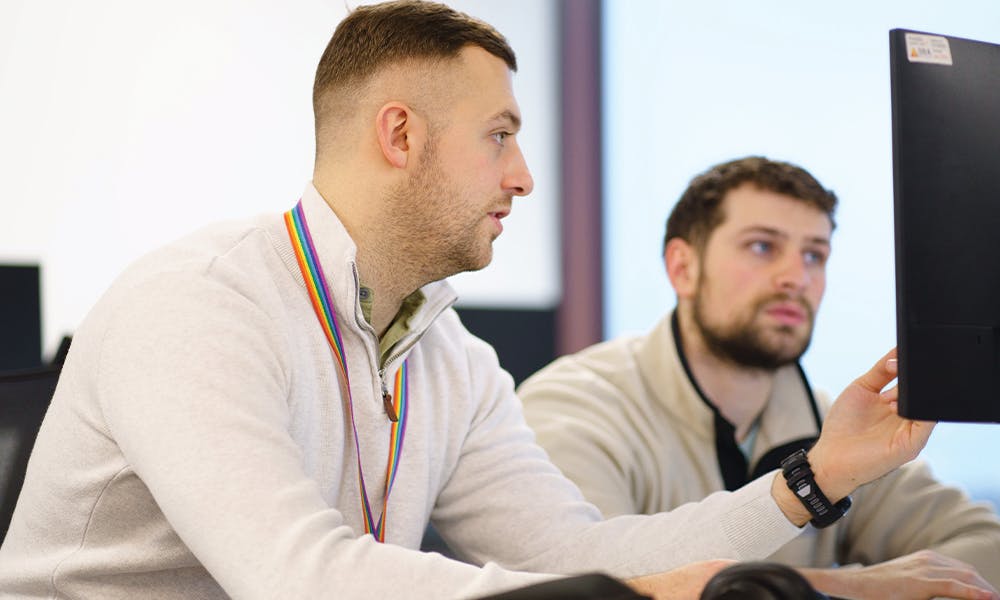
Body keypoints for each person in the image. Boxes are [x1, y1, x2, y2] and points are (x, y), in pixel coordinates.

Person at [0, 4, 946, 598]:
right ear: (401, 135)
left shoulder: (450, 359)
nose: (526, 175)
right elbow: (297, 579)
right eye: (499, 135)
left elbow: (570, 551)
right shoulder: (198, 306)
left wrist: (816, 476)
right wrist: (650, 594)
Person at [519, 156, 1000, 599]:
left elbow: (984, 546)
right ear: (683, 268)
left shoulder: (834, 422)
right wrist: (847, 587)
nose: (796, 276)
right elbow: (591, 587)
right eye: (762, 246)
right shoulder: (572, 409)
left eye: (815, 254)